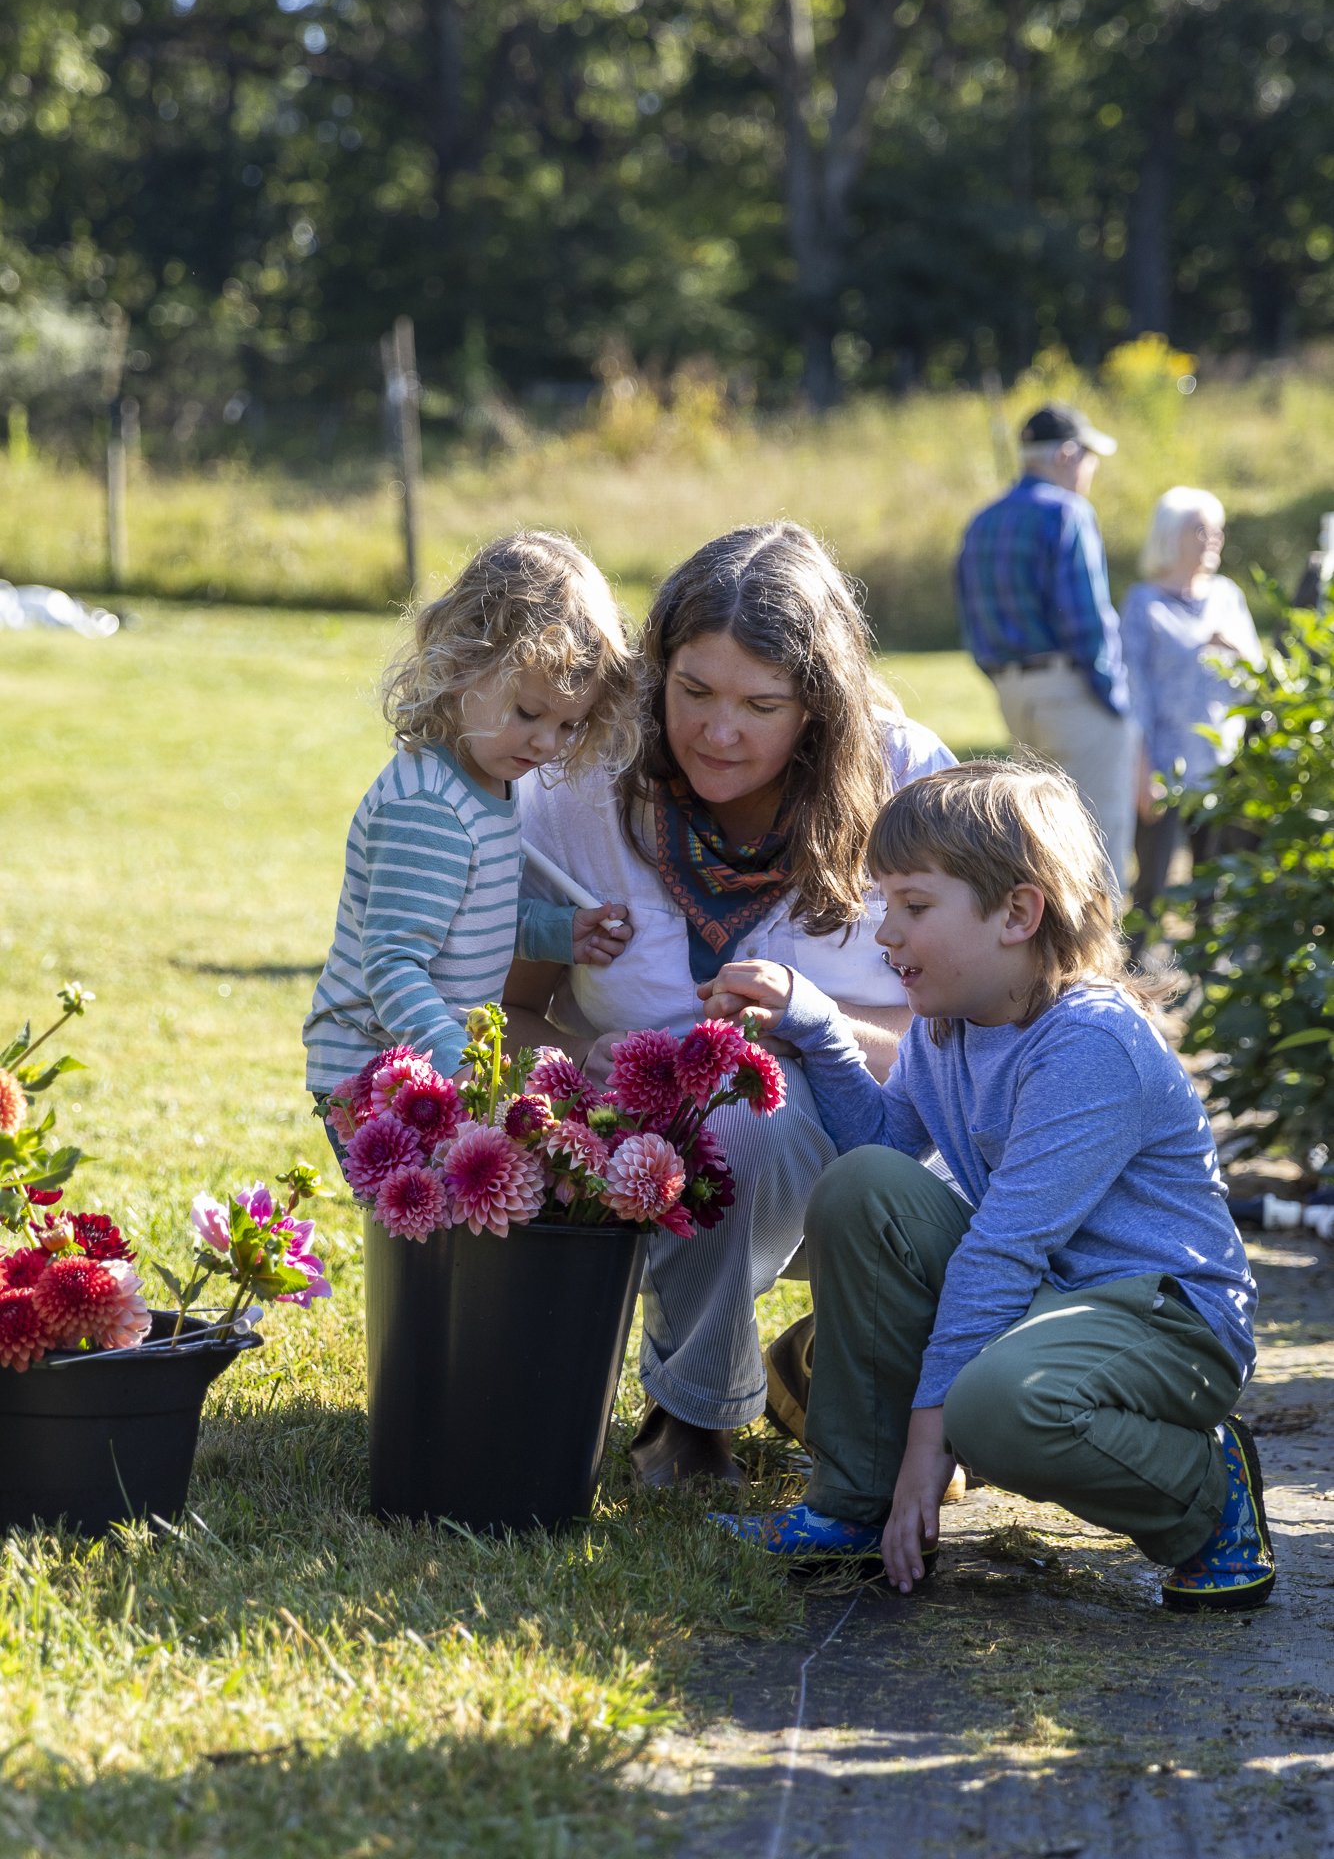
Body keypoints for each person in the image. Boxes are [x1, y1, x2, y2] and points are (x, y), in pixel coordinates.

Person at [704, 762, 1273, 1614]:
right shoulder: (949, 1024)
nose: (886, 933)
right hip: (1057, 1303)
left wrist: (928, 1448)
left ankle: (1204, 1491)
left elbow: (1002, 1249)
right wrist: (819, 1030)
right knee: (863, 1186)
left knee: (992, 1410)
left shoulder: (1088, 1045)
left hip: (1166, 1319)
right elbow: (887, 1154)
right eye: (885, 903)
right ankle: (850, 1509)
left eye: (915, 906)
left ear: (1018, 912)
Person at [506, 522, 954, 1487]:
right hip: (630, 1141)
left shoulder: (908, 780)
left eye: (762, 704)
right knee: (727, 1121)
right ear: (653, 674)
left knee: (752, 1104)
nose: (718, 732)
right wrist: (582, 1065)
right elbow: (503, 1013)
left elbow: (975, 1031)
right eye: (693, 693)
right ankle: (693, 1412)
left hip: (880, 1142)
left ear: (821, 710)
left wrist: (821, 1033)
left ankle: (824, 1359)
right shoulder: (579, 786)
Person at [303, 530, 639, 1108]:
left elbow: (467, 916)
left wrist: (555, 932)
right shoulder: (429, 805)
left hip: (427, 1061)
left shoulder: (489, 782)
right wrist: (455, 1061)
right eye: (530, 712)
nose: (546, 742)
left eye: (567, 726)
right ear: (464, 662)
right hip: (374, 1072)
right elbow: (393, 960)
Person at [955, 403, 1136, 892]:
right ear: (1066, 454)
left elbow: (972, 622)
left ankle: (1053, 963)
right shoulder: (1069, 511)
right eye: (1089, 457)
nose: (1091, 469)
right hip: (1075, 691)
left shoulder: (982, 521)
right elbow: (1088, 623)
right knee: (1100, 848)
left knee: (1045, 845)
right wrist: (1118, 703)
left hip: (1015, 697)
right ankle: (1101, 964)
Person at [1121, 488, 1263, 920]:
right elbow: (1133, 696)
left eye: (1218, 530)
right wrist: (1143, 772)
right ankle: (1140, 971)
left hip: (1221, 770)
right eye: (1201, 529)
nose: (1213, 539)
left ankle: (1207, 978)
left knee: (1214, 889)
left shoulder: (1227, 596)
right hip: (1165, 769)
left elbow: (1258, 685)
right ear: (1170, 536)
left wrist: (1238, 649)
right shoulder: (1144, 604)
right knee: (1152, 887)